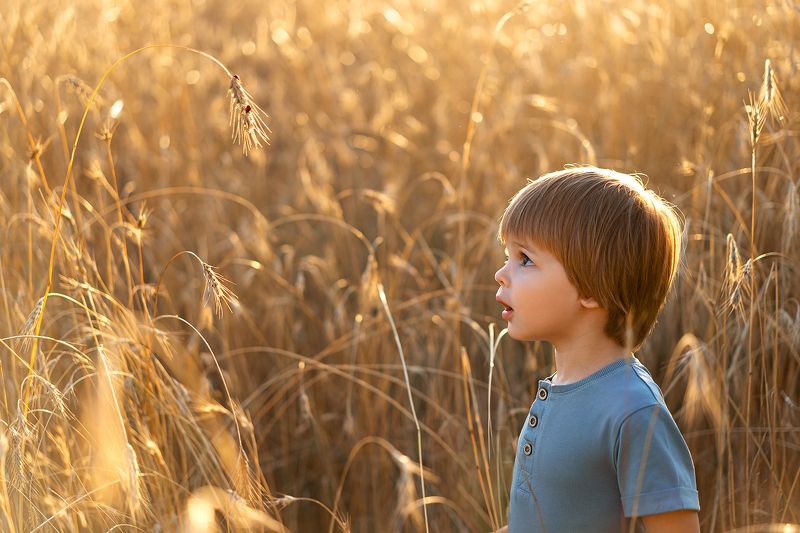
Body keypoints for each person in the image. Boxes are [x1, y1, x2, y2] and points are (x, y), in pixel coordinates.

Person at [492, 166, 700, 532]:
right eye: (507, 255)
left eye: (525, 259)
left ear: (591, 288)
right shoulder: (560, 389)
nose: (502, 272)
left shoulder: (633, 409)